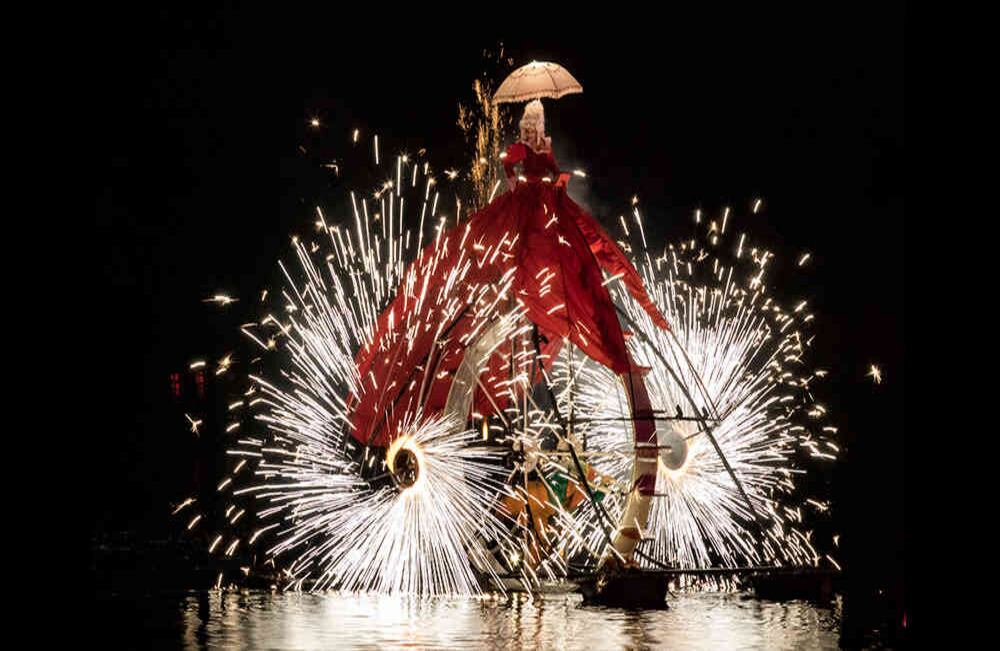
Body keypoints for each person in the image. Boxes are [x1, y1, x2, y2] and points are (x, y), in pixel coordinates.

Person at [349, 99, 668, 448]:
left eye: (539, 122)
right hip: (523, 214)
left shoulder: (544, 148)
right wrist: (515, 181)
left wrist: (543, 177)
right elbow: (508, 163)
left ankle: (576, 314)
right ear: (525, 126)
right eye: (532, 123)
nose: (536, 129)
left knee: (584, 262)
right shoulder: (520, 149)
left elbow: (545, 171)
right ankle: (529, 290)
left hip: (547, 212)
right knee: (525, 258)